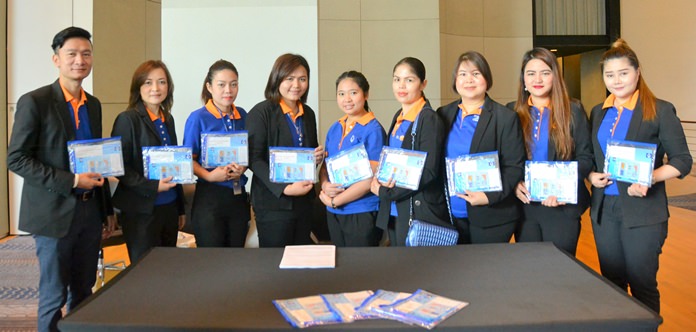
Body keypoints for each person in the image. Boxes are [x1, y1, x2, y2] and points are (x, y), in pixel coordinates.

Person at [7, 26, 116, 332]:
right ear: (56, 59)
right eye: (71, 54)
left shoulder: (93, 105)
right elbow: (16, 159)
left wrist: (106, 211)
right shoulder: (35, 102)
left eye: (86, 53)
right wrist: (70, 181)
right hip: (53, 214)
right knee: (53, 295)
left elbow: (97, 162)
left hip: (89, 213)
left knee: (84, 290)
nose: (79, 60)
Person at [587, 39, 692, 313]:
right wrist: (590, 175)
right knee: (611, 283)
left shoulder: (659, 109)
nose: (617, 80)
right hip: (604, 210)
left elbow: (683, 161)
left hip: (643, 210)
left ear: (637, 72)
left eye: (623, 73)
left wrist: (650, 178)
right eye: (609, 75)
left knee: (642, 283)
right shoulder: (599, 112)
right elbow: (591, 156)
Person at [508, 48, 592, 256]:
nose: (538, 79)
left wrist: (562, 188)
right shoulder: (511, 111)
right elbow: (506, 159)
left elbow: (586, 157)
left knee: (560, 270)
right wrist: (514, 185)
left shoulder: (573, 110)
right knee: (529, 269)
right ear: (523, 80)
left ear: (555, 76)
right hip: (525, 206)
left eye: (545, 72)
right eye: (531, 73)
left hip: (562, 205)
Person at [437, 51, 525, 244]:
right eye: (463, 74)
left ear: (487, 78)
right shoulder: (443, 114)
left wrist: (488, 196)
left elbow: (514, 167)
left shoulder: (505, 117)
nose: (469, 80)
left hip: (491, 216)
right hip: (450, 215)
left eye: (476, 74)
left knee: (485, 273)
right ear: (455, 80)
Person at [111, 60, 186, 263]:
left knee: (167, 267)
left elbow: (174, 163)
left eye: (161, 82)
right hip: (141, 210)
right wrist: (153, 186)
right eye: (148, 82)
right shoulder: (127, 119)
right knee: (144, 270)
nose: (155, 88)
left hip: (169, 207)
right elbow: (119, 167)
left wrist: (180, 208)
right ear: (138, 87)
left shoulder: (167, 119)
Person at [247, 54, 324, 247]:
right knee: (275, 264)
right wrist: (285, 188)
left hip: (304, 202)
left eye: (302, 79)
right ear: (277, 79)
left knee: (302, 262)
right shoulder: (261, 112)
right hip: (273, 204)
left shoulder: (308, 114)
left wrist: (316, 157)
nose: (296, 85)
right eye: (289, 78)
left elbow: (307, 153)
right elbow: (254, 159)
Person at [369, 57, 448, 246]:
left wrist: (386, 193)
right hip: (397, 209)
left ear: (423, 84)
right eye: (397, 79)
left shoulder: (429, 119)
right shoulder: (399, 116)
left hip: (417, 211)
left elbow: (428, 171)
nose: (401, 86)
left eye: (409, 80)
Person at [183, 60, 250, 247]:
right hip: (209, 198)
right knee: (212, 261)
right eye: (221, 85)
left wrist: (242, 167)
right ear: (209, 87)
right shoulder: (198, 117)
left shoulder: (243, 115)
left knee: (236, 259)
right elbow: (188, 159)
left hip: (238, 196)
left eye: (233, 84)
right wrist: (210, 176)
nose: (228, 90)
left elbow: (249, 152)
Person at [319, 71, 386, 246]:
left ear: (366, 94)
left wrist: (335, 201)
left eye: (353, 93)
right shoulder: (335, 128)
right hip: (334, 211)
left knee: (361, 267)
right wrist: (325, 185)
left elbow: (370, 178)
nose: (347, 99)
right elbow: (326, 167)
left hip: (362, 211)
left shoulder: (373, 130)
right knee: (341, 266)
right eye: (341, 94)